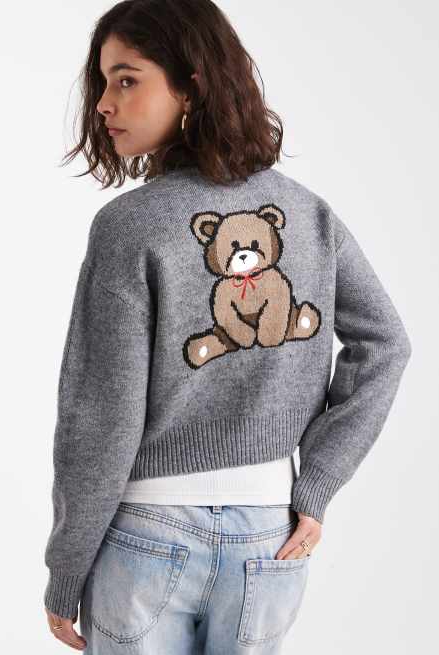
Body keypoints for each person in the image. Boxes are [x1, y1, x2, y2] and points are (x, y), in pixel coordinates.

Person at [42, 1, 412, 653]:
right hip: (268, 538)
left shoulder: (130, 226)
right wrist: (314, 486)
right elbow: (386, 344)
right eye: (103, 82)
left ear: (191, 86)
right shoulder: (308, 215)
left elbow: (100, 414)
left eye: (126, 79)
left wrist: (66, 566)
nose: (102, 103)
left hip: (145, 535)